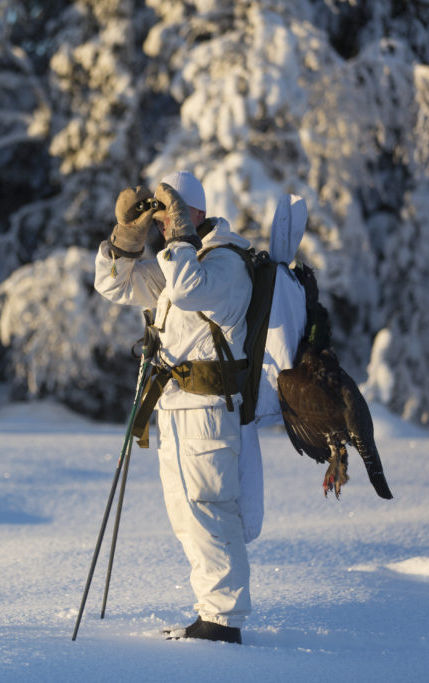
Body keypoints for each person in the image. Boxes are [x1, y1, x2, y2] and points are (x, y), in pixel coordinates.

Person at [94, 171, 254, 644]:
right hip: (175, 410)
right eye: (161, 216)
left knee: (209, 510)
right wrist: (125, 240)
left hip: (206, 412)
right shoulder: (178, 260)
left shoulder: (225, 264)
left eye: (173, 214)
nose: (164, 223)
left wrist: (181, 236)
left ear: (198, 213)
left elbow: (187, 289)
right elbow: (115, 286)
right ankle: (211, 613)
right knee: (186, 516)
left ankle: (222, 623)